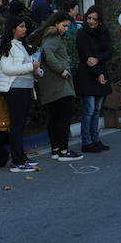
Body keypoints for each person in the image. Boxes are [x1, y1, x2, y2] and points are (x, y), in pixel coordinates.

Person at [29, 11, 83, 162]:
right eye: (64, 25)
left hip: (50, 85)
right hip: (59, 85)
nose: (66, 29)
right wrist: (62, 71)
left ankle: (56, 149)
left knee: (55, 118)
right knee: (63, 118)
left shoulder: (47, 35)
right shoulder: (53, 36)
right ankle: (64, 151)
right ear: (56, 23)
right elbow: (48, 54)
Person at [0, 15, 41, 173]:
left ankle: (21, 156)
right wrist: (30, 66)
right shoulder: (7, 44)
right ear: (13, 28)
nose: (25, 29)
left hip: (25, 87)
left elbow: (28, 66)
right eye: (21, 26)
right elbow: (8, 70)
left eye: (25, 26)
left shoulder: (20, 44)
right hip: (15, 89)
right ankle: (17, 161)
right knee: (17, 125)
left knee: (21, 125)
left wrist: (36, 70)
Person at [75, 5, 113, 152]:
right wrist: (98, 71)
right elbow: (86, 56)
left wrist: (98, 59)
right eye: (89, 18)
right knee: (89, 109)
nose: (91, 21)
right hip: (87, 75)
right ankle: (87, 141)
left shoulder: (104, 32)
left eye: (94, 19)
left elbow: (109, 51)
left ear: (99, 21)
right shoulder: (82, 33)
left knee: (97, 109)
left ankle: (96, 139)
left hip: (101, 72)